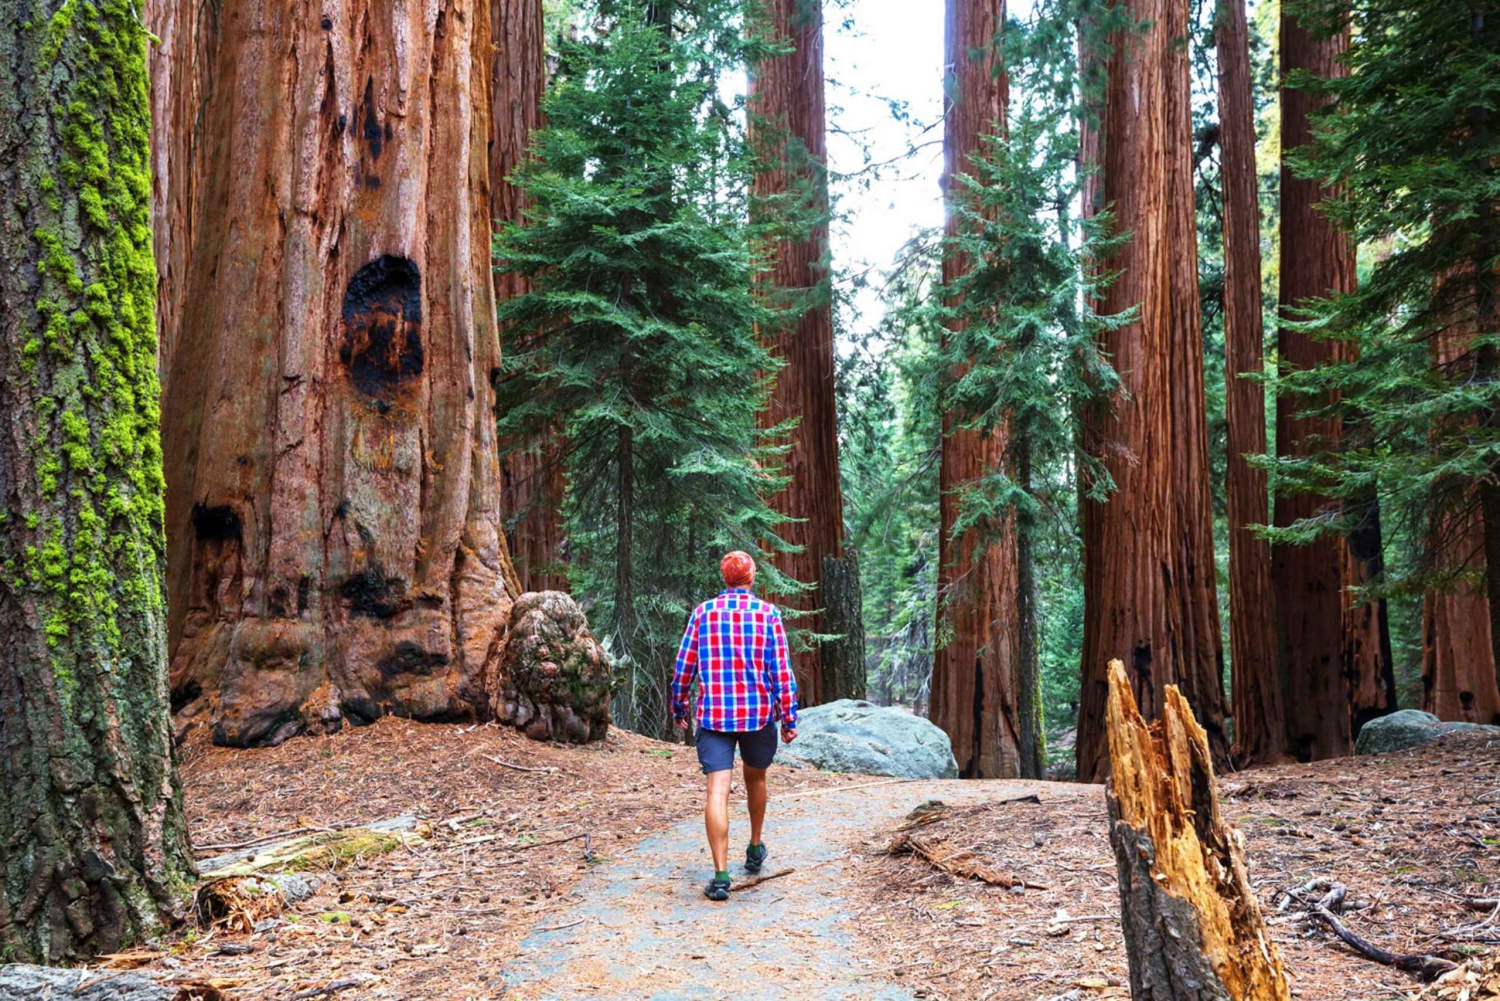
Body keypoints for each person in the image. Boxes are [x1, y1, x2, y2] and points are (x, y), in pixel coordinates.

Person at [670, 551, 798, 901]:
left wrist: (679, 705)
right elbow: (781, 670)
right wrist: (789, 717)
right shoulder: (768, 614)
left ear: (724, 578)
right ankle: (755, 847)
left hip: (714, 717)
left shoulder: (703, 613)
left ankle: (720, 876)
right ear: (751, 576)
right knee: (756, 778)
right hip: (757, 716)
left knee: (717, 791)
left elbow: (684, 666)